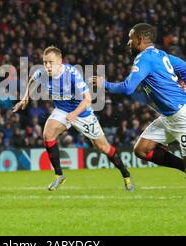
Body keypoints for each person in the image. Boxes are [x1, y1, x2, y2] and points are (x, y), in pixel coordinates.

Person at [91, 23, 186, 208]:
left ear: (140, 39)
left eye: (131, 38)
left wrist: (104, 84)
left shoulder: (144, 58)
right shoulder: (159, 54)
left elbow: (128, 88)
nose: (128, 42)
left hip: (184, 117)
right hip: (170, 116)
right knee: (142, 150)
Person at [12, 46, 133, 191]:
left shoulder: (72, 75)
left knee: (103, 147)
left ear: (60, 62)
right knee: (47, 134)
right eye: (45, 62)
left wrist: (74, 115)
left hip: (82, 113)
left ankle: (126, 175)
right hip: (63, 110)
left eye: (51, 62)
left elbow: (87, 100)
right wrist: (25, 98)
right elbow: (32, 80)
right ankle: (59, 175)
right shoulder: (42, 73)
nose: (47, 66)